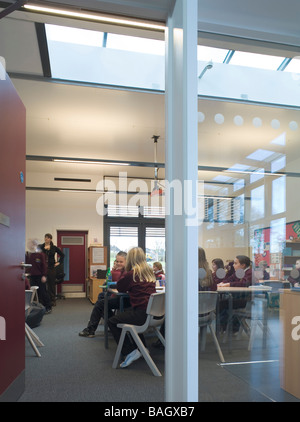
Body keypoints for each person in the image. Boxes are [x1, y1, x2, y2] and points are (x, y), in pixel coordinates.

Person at [108, 247, 156, 368]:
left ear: (130, 259)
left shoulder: (132, 274)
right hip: (154, 314)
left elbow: (120, 287)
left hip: (142, 315)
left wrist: (123, 270)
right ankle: (142, 347)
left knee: (112, 321)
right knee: (130, 314)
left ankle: (130, 351)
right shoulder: (149, 272)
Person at [79, 251, 128, 337]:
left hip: (123, 298)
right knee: (101, 303)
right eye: (117, 261)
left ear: (127, 262)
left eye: (121, 262)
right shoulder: (122, 271)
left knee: (100, 304)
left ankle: (91, 329)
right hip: (118, 296)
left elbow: (120, 285)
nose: (118, 263)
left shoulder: (126, 272)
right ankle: (113, 325)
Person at [218, 255, 256, 332]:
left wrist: (228, 284)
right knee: (222, 303)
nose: (233, 265)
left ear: (243, 265)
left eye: (235, 263)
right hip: (239, 298)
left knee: (221, 304)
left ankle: (225, 328)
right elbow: (229, 279)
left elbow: (244, 283)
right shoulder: (239, 272)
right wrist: (222, 283)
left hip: (245, 301)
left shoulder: (249, 272)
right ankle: (228, 328)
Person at [25, 239, 52, 314]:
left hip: (40, 276)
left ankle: (48, 307)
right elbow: (27, 265)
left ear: (35, 245)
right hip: (32, 276)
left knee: (43, 292)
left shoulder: (41, 254)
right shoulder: (29, 255)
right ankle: (39, 307)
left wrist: (44, 275)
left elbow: (44, 266)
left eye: (33, 244)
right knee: (34, 293)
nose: (31, 246)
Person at [39, 233, 64, 307]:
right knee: (42, 285)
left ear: (50, 239)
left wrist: (59, 262)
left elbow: (62, 255)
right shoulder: (41, 247)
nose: (46, 239)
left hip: (51, 268)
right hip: (42, 268)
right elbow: (37, 255)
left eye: (47, 238)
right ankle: (43, 301)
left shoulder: (54, 247)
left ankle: (52, 300)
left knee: (51, 285)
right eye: (45, 237)